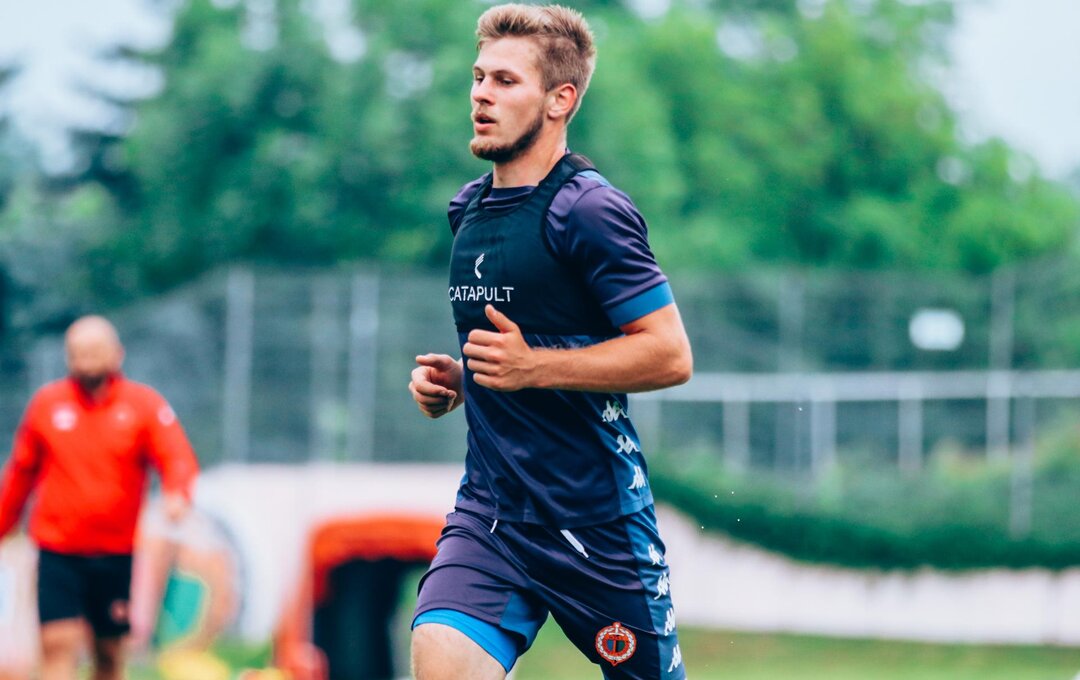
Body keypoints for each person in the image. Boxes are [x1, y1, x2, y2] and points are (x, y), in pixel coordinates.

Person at [407, 4, 693, 679]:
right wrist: (461, 381)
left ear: (559, 99)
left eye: (505, 81)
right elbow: (517, 351)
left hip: (596, 524)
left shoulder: (590, 210)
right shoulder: (469, 211)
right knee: (439, 658)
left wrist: (532, 367)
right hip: (492, 516)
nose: (481, 94)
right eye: (479, 77)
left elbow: (670, 353)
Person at [0, 315, 200, 680]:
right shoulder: (48, 405)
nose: (87, 359)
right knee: (57, 642)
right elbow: (21, 473)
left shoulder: (143, 405)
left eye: (94, 351)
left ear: (117, 353)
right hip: (58, 550)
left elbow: (176, 457)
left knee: (108, 652)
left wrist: (178, 493)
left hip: (115, 552)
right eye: (79, 352)